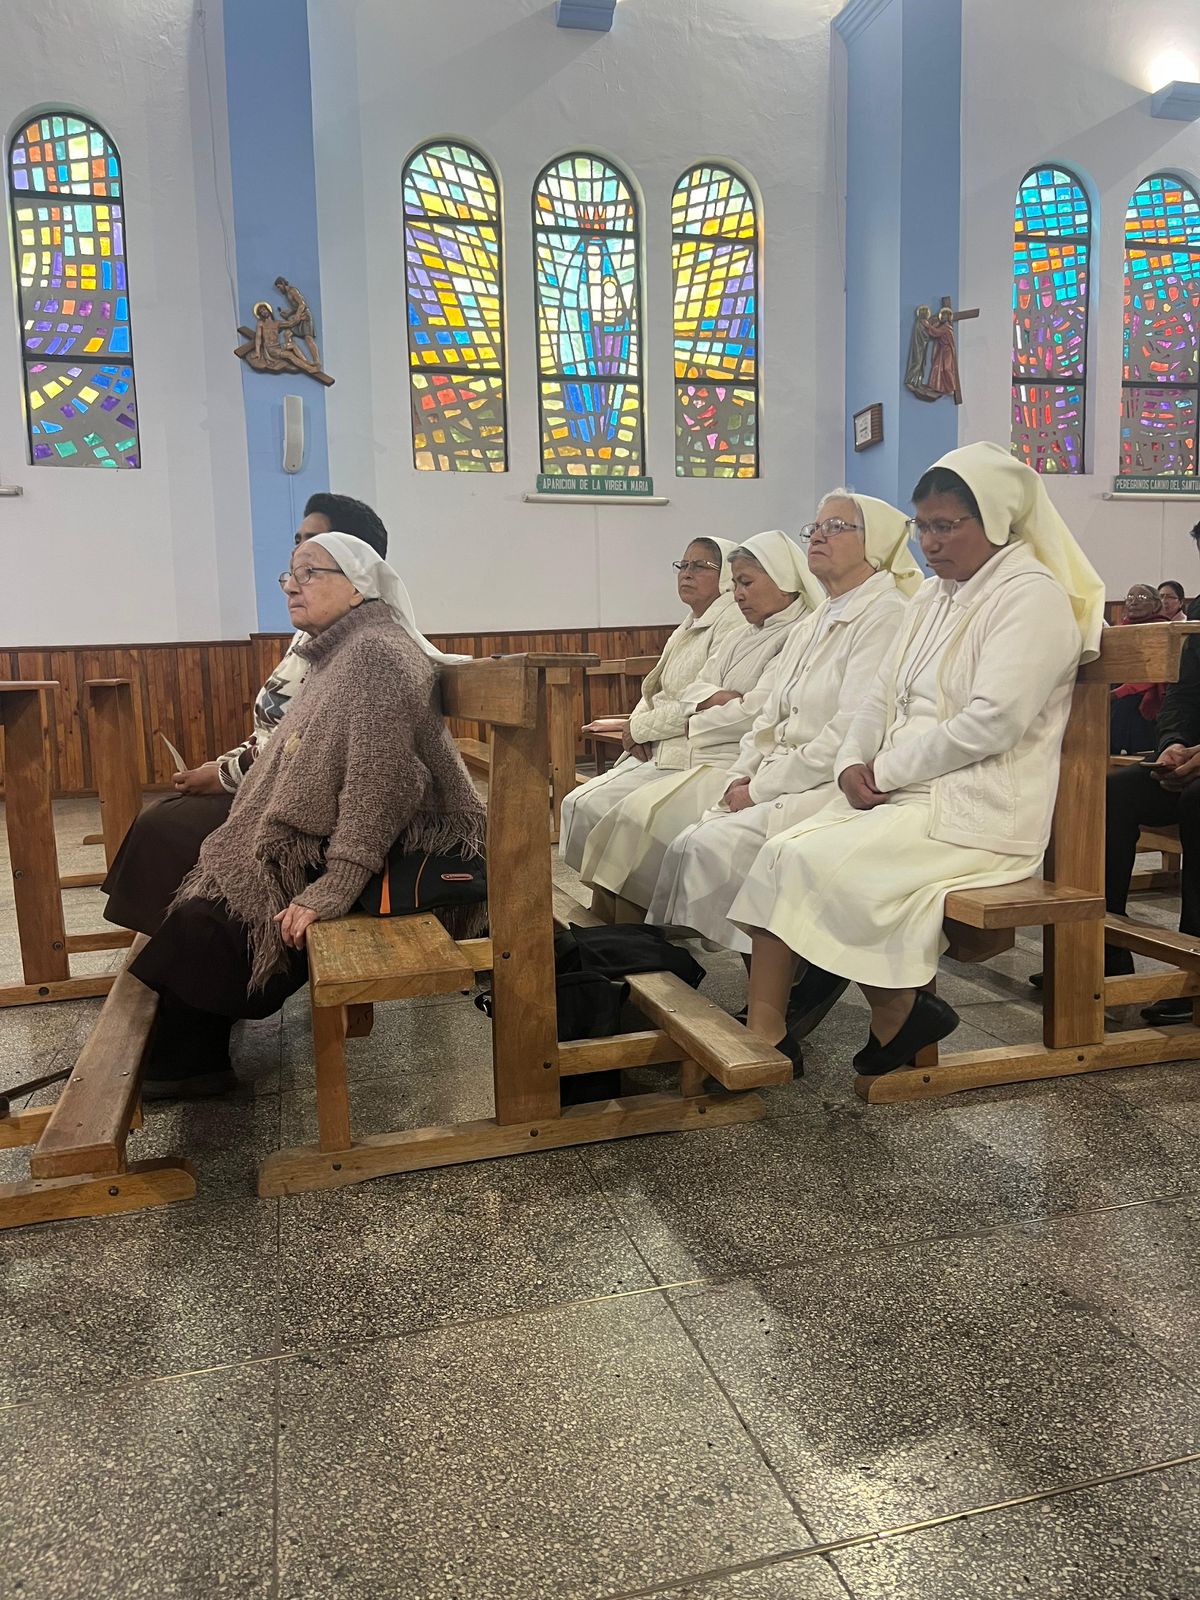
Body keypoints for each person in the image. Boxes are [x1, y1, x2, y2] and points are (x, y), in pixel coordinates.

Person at [729, 441, 1103, 1073]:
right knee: (778, 851)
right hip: (906, 793)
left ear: (995, 519)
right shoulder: (932, 598)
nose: (929, 543)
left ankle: (885, 1012)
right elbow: (876, 696)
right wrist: (853, 759)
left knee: (802, 856)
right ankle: (777, 1031)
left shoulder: (1029, 596)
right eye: (923, 526)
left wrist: (883, 770)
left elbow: (993, 722)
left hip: (981, 806)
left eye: (946, 526)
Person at [130, 533, 481, 1099]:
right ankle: (189, 1028)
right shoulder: (342, 648)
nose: (292, 585)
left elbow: (384, 781)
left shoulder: (374, 654)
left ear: (357, 587)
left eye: (309, 572)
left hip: (396, 849)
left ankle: (191, 1052)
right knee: (201, 859)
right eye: (288, 574)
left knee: (218, 912)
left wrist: (337, 883)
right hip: (344, 827)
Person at [647, 492, 917, 1000]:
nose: (817, 535)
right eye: (813, 526)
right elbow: (767, 717)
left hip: (831, 782)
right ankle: (782, 981)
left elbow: (851, 729)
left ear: (874, 542)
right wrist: (739, 778)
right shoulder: (815, 620)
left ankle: (785, 988)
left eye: (835, 526)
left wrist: (761, 787)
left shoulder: (886, 613)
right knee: (695, 842)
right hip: (777, 774)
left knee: (721, 847)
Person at [102, 493, 390, 937]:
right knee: (167, 821)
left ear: (354, 569)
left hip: (305, 804)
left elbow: (311, 752)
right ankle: (163, 953)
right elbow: (271, 729)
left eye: (312, 554)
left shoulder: (365, 645)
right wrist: (223, 768)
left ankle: (170, 965)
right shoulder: (308, 636)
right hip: (270, 782)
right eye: (297, 547)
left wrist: (222, 777)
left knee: (167, 828)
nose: (296, 567)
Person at [575, 531, 819, 916]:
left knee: (639, 824)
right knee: (623, 824)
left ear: (784, 580)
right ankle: (614, 941)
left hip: (732, 761)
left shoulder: (797, 632)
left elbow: (754, 712)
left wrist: (702, 713)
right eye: (735, 583)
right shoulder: (747, 633)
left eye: (746, 583)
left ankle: (643, 947)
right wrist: (710, 699)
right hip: (703, 752)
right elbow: (694, 689)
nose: (737, 594)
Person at [559, 539, 744, 875]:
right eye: (683, 565)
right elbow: (652, 690)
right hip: (656, 743)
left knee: (609, 812)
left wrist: (638, 729)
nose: (687, 573)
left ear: (728, 576)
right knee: (578, 804)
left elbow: (699, 701)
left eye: (700, 566)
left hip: (688, 751)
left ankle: (629, 912)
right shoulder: (689, 622)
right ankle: (606, 903)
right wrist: (635, 725)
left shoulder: (733, 623)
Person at [1098, 520, 1200, 1024]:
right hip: (1191, 761)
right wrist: (1174, 743)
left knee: (1197, 800)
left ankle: (1192, 967)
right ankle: (1105, 947)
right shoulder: (1199, 616)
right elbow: (1181, 692)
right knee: (1113, 791)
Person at [1111, 583, 1167, 754]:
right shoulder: (1117, 631)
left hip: (1143, 697)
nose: (1133, 602)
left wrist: (1119, 692)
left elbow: (1156, 670)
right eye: (1130, 598)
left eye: (1141, 598)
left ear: (1157, 605)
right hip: (1116, 692)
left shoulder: (1163, 630)